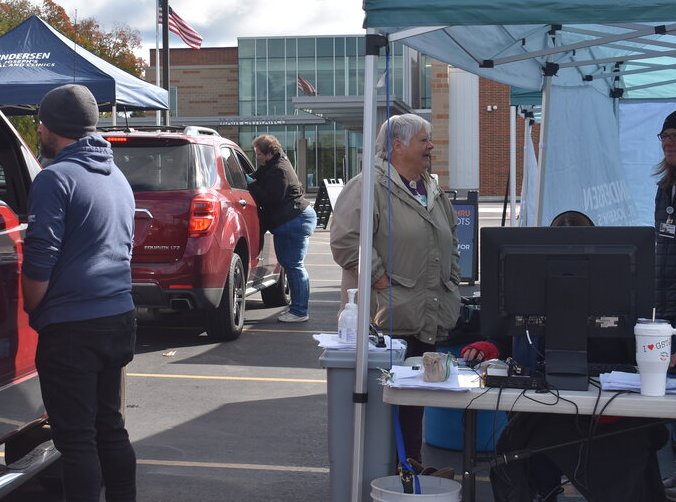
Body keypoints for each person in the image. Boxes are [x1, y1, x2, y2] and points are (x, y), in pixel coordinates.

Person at [463, 210, 667, 502]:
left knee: (620, 449)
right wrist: (488, 349)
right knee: (525, 446)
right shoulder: (529, 290)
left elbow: (638, 354)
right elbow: (504, 333)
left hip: (611, 416)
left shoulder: (622, 301)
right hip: (542, 410)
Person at [22, 84, 137, 502]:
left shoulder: (55, 178)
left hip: (73, 327)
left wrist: (33, 306)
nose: (38, 131)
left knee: (76, 441)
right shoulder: (116, 175)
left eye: (41, 124)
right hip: (119, 316)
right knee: (110, 427)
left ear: (52, 127)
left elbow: (39, 258)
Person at [329, 113, 461, 462]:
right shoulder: (368, 185)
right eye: (423, 139)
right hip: (387, 319)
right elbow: (346, 242)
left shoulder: (431, 187)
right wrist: (380, 280)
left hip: (426, 313)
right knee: (383, 409)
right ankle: (383, 475)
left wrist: (453, 279)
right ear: (397, 145)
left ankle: (409, 473)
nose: (430, 146)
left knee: (414, 406)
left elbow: (452, 241)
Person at [248, 135, 317, 323]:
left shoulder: (280, 170)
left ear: (269, 153)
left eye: (259, 154)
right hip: (295, 218)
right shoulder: (274, 163)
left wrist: (252, 186)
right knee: (293, 266)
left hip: (293, 220)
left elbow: (272, 198)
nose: (258, 157)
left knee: (294, 266)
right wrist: (251, 178)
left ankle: (299, 311)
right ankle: (298, 309)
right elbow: (259, 174)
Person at [654, 111, 676, 500]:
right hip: (668, 304)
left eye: (675, 136)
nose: (667, 142)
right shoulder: (665, 188)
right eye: (664, 136)